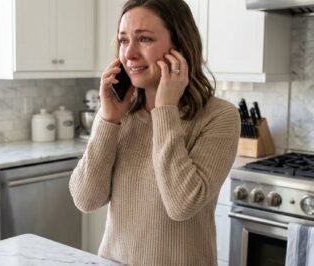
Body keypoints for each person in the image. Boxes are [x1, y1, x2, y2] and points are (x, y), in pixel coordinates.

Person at [70, 0, 240, 265]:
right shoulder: (117, 112)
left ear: (180, 46)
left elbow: (181, 205)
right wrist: (108, 120)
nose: (129, 54)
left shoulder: (219, 117)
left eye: (145, 39)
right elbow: (86, 199)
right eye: (123, 40)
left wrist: (165, 110)